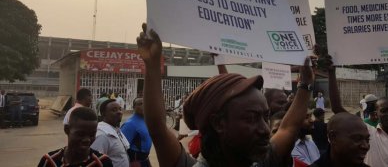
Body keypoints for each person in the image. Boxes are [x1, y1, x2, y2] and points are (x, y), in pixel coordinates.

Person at [136, 23, 315, 167]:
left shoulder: (261, 160)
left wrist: (305, 82)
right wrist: (152, 65)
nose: (266, 130)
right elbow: (158, 127)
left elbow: (288, 127)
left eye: (265, 117)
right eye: (252, 118)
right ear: (219, 123)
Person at [326, 55, 388, 167]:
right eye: (385, 111)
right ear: (376, 113)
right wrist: (331, 73)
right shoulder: (369, 133)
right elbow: (337, 108)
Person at [38, 107, 113, 167]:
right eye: (80, 134)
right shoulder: (49, 161)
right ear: (67, 130)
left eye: (92, 134)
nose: (87, 140)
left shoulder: (103, 162)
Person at [91, 99, 130, 167]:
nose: (119, 112)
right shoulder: (102, 135)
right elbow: (96, 162)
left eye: (120, 109)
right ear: (103, 114)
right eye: (114, 110)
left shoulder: (115, 129)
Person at [121, 97, 153, 167]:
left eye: (145, 103)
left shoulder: (146, 121)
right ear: (134, 107)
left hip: (145, 159)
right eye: (140, 104)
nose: (143, 106)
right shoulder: (130, 124)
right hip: (135, 161)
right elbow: (122, 146)